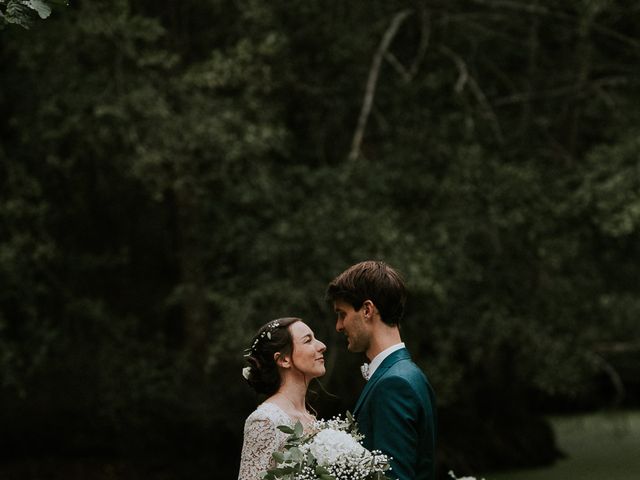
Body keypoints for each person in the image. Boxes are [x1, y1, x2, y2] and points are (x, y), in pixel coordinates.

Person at [326, 260, 437, 480]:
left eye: (342, 314)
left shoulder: (394, 384)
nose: (339, 326)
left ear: (367, 310)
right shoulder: (409, 374)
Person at [237, 317, 327, 480]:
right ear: (284, 360)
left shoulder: (310, 417)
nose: (321, 346)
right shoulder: (265, 420)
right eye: (308, 340)